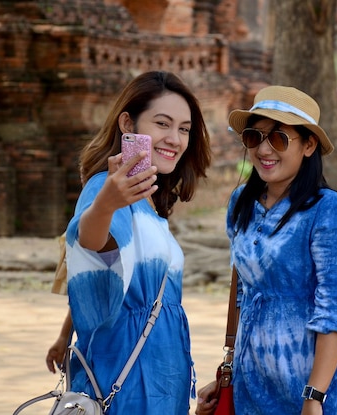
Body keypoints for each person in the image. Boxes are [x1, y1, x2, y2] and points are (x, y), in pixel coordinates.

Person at [196, 86, 337, 415]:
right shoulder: (241, 204)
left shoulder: (327, 211)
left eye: (279, 138)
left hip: (329, 393)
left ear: (309, 145)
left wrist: (314, 396)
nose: (264, 149)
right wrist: (229, 371)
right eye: (254, 137)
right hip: (256, 389)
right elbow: (245, 297)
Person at [45, 70, 211, 414]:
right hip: (124, 377)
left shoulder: (148, 201)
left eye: (184, 129)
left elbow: (108, 277)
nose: (175, 139)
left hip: (163, 374)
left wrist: (64, 335)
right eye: (162, 124)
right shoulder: (106, 189)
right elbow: (91, 248)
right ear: (128, 124)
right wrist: (105, 203)